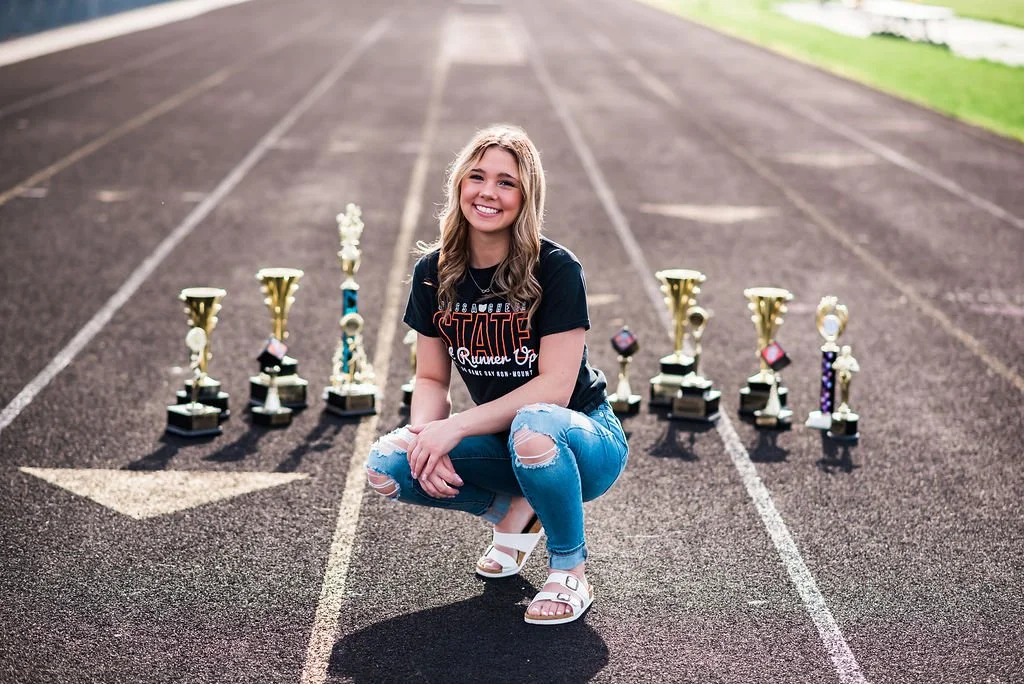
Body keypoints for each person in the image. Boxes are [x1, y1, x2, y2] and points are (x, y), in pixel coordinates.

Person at [366, 124, 628, 625]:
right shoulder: (433, 272)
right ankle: (514, 513)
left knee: (534, 422)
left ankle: (570, 571)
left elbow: (554, 388)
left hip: (580, 442)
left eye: (506, 182)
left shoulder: (555, 268)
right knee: (388, 465)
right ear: (459, 184)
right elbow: (430, 380)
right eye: (477, 176)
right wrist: (426, 436)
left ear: (526, 197)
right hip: (503, 442)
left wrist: (457, 426)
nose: (488, 192)